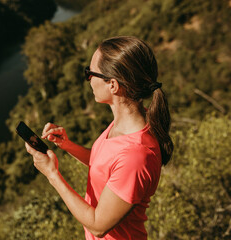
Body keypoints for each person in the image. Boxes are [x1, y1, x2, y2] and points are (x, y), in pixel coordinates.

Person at [24, 36, 174, 239]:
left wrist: (52, 174)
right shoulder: (126, 124)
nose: (88, 79)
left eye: (90, 73)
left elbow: (98, 225)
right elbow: (106, 166)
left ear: (112, 85)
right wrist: (67, 145)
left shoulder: (137, 156)